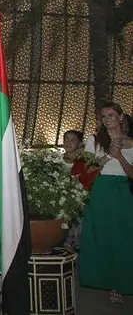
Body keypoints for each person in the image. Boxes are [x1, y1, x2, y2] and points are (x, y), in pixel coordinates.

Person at [78, 102, 133, 304]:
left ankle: (122, 282)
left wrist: (120, 158)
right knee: (102, 235)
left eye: (111, 115)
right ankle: (110, 284)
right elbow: (87, 168)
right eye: (103, 116)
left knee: (124, 236)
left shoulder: (131, 142)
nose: (107, 119)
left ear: (120, 117)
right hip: (101, 189)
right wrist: (109, 154)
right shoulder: (95, 140)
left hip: (122, 191)